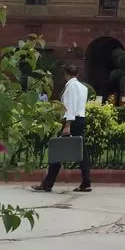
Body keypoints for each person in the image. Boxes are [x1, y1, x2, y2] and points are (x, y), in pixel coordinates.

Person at [32, 63, 91, 193]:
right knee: (82, 153)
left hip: (71, 121)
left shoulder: (70, 87)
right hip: (81, 119)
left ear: (66, 75)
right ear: (77, 74)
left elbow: (69, 106)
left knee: (57, 151)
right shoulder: (83, 87)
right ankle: (86, 182)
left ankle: (47, 183)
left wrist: (67, 125)